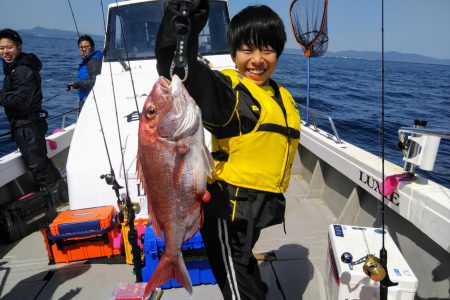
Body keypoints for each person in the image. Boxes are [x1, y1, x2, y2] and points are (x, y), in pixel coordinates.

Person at [155, 1, 301, 299]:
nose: (258, 60)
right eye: (247, 50)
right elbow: (179, 66)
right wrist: (186, 13)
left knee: (243, 261)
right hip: (228, 214)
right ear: (234, 53)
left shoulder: (279, 94)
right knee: (239, 288)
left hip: (256, 211)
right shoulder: (232, 95)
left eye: (267, 50)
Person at [0, 28, 59, 192]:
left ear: (18, 46)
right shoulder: (14, 67)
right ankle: (59, 193)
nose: (5, 51)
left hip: (28, 126)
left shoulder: (22, 70)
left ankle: (54, 198)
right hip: (28, 124)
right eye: (1, 48)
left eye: (9, 47)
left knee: (38, 166)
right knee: (40, 162)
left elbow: (21, 101)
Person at [67, 35, 102, 111]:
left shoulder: (94, 61)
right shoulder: (88, 60)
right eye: (81, 47)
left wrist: (77, 84)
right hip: (85, 98)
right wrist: (74, 85)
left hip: (90, 101)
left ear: (92, 47)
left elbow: (95, 81)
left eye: (86, 46)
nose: (83, 49)